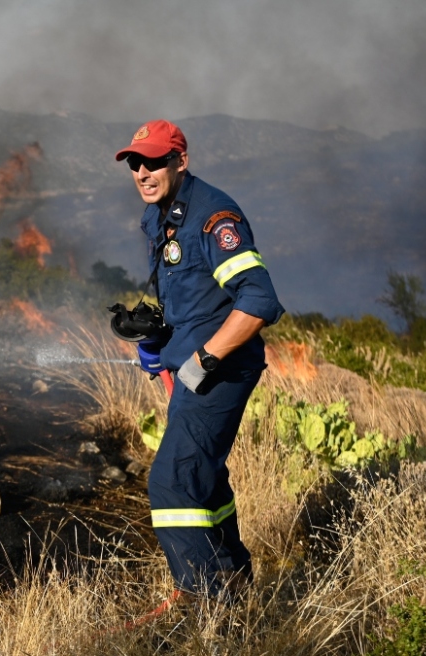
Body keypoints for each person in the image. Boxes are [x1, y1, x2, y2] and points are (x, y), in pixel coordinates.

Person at [114, 119, 284, 599]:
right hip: (192, 370)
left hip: (220, 372)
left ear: (180, 161)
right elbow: (192, 298)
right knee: (204, 479)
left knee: (173, 483)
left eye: (153, 161)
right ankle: (234, 583)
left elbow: (259, 301)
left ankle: (208, 606)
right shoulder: (161, 215)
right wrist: (157, 339)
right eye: (135, 163)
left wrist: (203, 360)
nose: (142, 172)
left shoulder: (214, 218)